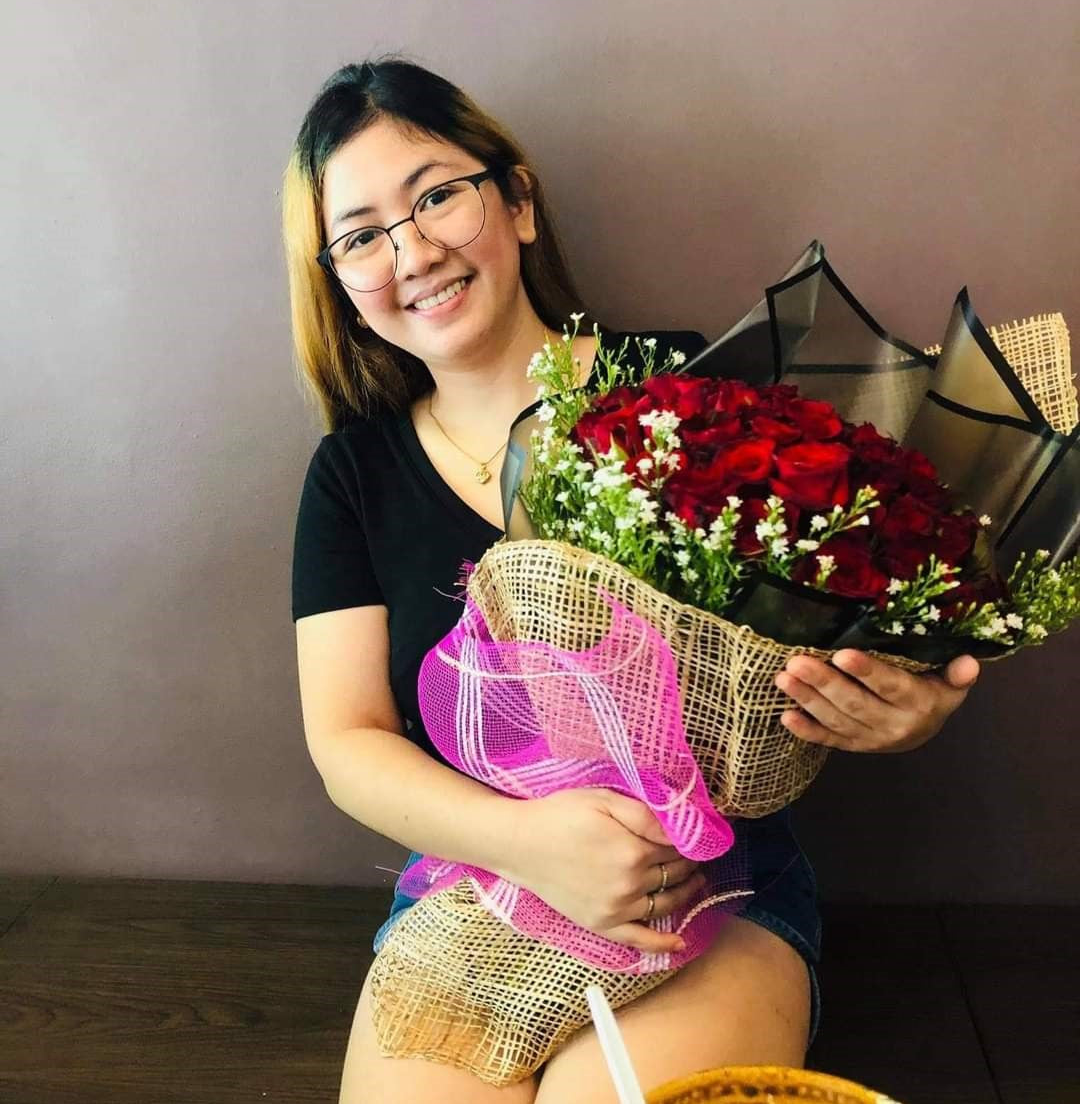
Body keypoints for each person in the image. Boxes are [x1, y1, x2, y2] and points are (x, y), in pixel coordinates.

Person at [285, 57, 982, 1104]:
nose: (413, 251)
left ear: (518, 202)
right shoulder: (353, 473)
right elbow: (347, 742)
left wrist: (900, 701)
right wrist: (533, 845)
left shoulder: (685, 387)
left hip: (713, 884)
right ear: (339, 280)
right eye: (361, 235)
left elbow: (822, 628)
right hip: (479, 888)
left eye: (437, 196)